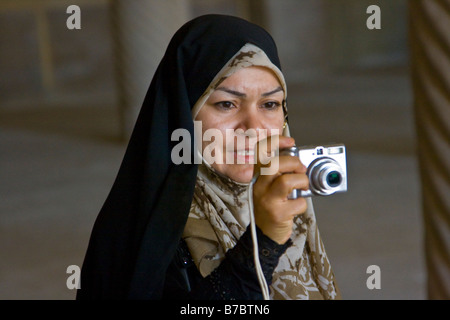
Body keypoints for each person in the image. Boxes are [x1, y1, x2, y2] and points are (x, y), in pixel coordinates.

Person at [77, 14, 340, 300]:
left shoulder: (285, 199)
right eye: (226, 104)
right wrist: (264, 242)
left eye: (270, 104)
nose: (253, 128)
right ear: (185, 113)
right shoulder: (145, 230)